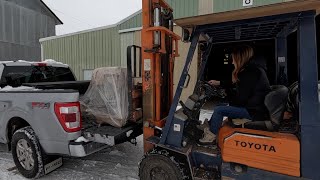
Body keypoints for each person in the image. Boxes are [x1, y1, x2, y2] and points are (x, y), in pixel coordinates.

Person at [199, 45, 271, 145]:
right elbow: (238, 84)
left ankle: (211, 136)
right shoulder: (253, 70)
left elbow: (240, 99)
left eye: (233, 59)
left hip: (253, 112)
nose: (232, 62)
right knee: (221, 106)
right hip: (255, 108)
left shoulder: (250, 73)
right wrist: (220, 83)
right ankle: (211, 126)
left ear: (239, 58)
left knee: (219, 110)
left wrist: (227, 93)